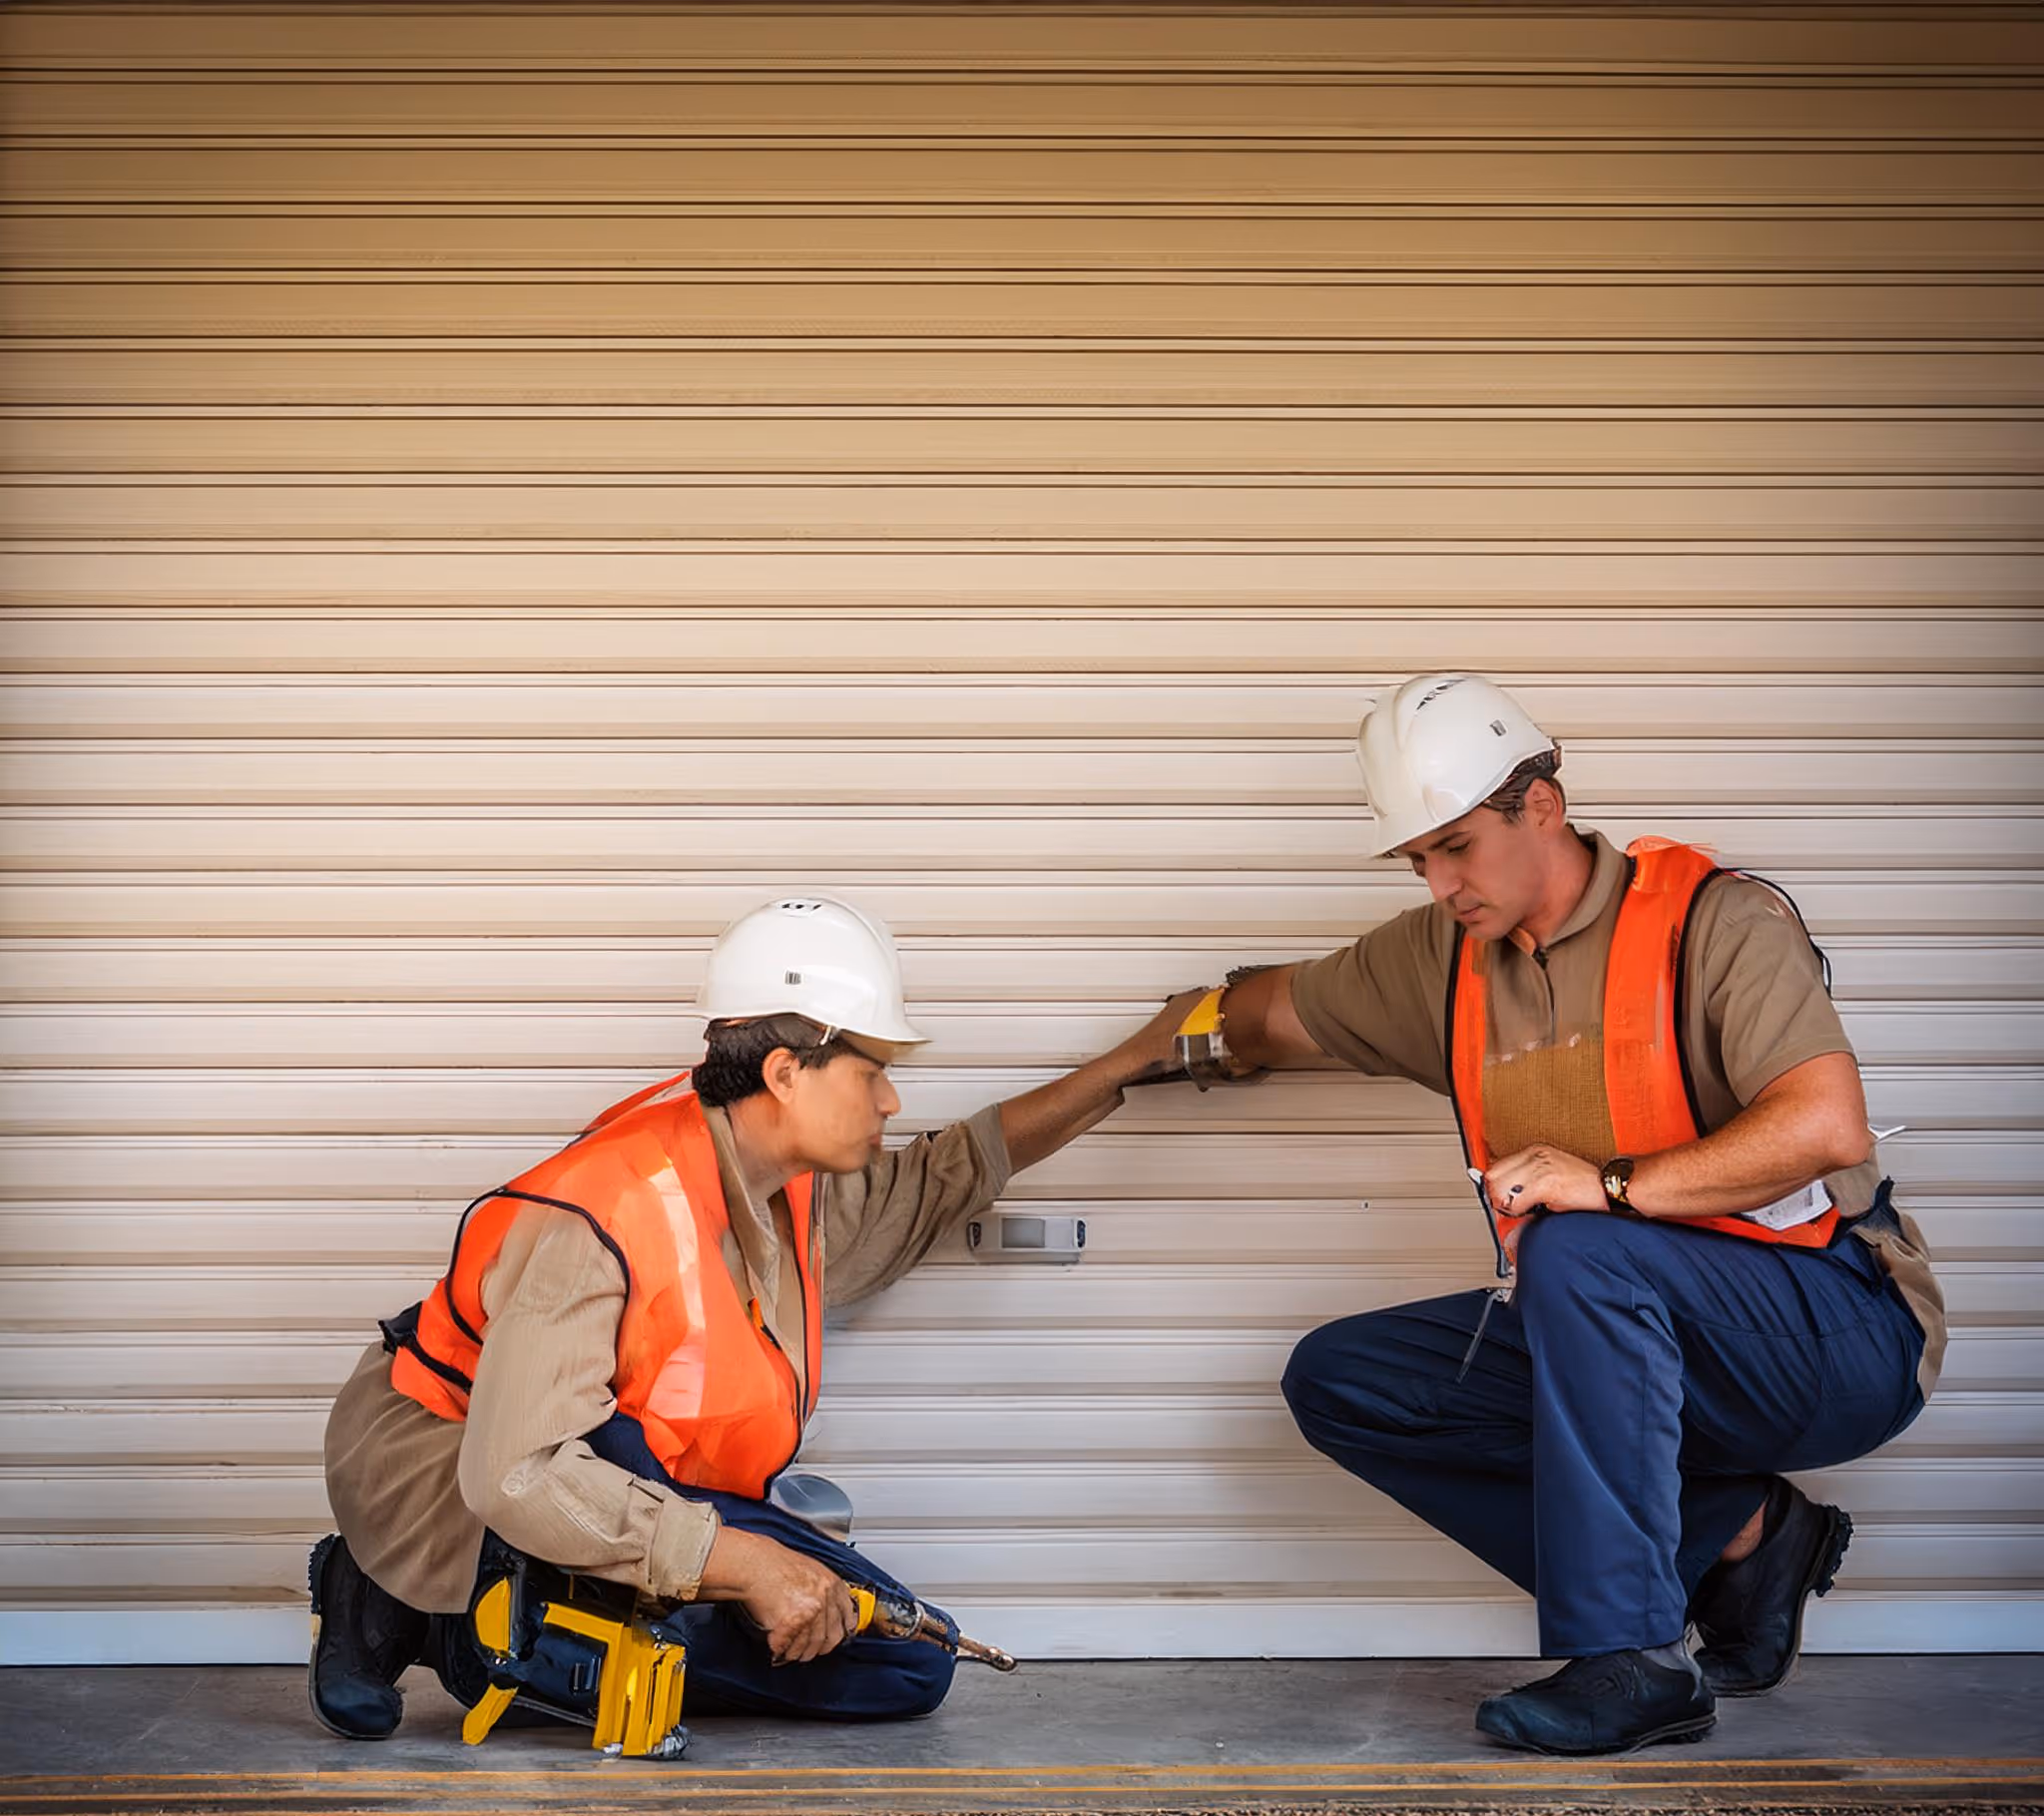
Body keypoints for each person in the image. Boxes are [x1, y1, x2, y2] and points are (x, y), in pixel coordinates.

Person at [1161, 672, 1941, 1756]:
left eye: (1455, 845)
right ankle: (1742, 1536)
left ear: (1539, 804)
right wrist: (1136, 1056)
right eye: (1415, 857)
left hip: (1832, 1328)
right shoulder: (1443, 956)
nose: (1438, 882)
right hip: (1633, 1336)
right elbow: (1267, 1011)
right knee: (1348, 1379)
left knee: (1579, 1245)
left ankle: (1634, 1661)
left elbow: (1824, 1126)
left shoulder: (1711, 919)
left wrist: (1609, 1183)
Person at [312, 894, 1199, 1739]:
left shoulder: (785, 1187)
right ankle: (440, 1615)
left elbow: (944, 1175)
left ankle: (535, 1608)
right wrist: (741, 1565)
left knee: (903, 1661)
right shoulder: (606, 1211)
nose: (892, 1102)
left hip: (625, 1474)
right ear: (785, 1073)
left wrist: (1128, 1065)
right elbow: (518, 1471)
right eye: (875, 1073)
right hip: (459, 1471)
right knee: (864, 1654)